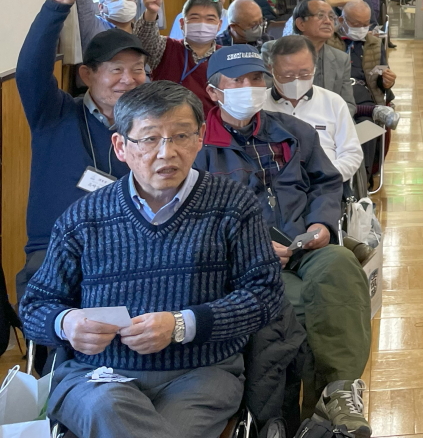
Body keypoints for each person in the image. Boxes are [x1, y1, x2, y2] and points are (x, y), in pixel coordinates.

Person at [20, 81, 283, 438]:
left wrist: (182, 324)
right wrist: (66, 324)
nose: (166, 153)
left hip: (200, 374)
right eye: (148, 139)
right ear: (120, 146)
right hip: (98, 376)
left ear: (200, 137)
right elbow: (35, 305)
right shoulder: (84, 217)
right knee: (106, 408)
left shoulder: (233, 205)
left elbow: (265, 295)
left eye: (180, 136)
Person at [195, 46, 372, 436]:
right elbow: (195, 219)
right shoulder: (197, 146)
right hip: (245, 263)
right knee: (298, 308)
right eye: (237, 81)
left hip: (303, 244)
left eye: (256, 79)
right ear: (213, 92)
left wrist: (321, 224)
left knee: (340, 264)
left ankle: (339, 390)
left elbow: (326, 182)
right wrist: (249, 250)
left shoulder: (294, 132)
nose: (250, 87)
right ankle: (305, 417)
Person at [14, 0, 148, 299]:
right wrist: (56, 7)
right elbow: (30, 71)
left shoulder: (151, 128)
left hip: (132, 251)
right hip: (57, 250)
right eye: (115, 70)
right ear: (87, 74)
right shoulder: (54, 115)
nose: (128, 80)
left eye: (137, 70)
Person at [263, 36, 363, 185]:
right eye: (287, 75)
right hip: (275, 188)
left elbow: (351, 153)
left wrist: (326, 176)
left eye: (304, 74)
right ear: (271, 69)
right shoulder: (259, 106)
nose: (296, 81)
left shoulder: (333, 103)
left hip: (325, 186)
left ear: (314, 68)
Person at [136, 0, 223, 111]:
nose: (202, 23)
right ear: (182, 23)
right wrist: (151, 12)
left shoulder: (226, 56)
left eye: (210, 19)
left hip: (209, 125)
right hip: (165, 120)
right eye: (194, 18)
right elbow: (144, 41)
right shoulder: (165, 47)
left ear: (219, 25)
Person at [273, 0, 355, 108]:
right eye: (320, 16)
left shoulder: (341, 59)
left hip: (327, 121)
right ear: (301, 24)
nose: (328, 21)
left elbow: (348, 104)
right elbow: (266, 98)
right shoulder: (273, 50)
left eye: (331, 17)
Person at [340, 0, 400, 129]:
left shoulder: (373, 44)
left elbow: (379, 71)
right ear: (341, 21)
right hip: (337, 93)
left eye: (365, 24)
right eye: (355, 24)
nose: (361, 28)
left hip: (362, 93)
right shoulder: (329, 41)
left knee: (367, 126)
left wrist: (386, 82)